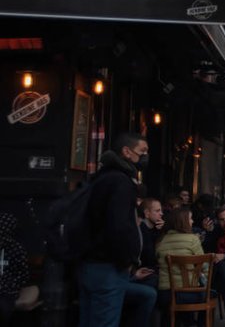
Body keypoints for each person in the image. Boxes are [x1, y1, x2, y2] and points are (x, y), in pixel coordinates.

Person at [77, 132, 147, 327]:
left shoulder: (100, 178)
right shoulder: (121, 183)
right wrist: (127, 260)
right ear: (126, 151)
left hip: (89, 262)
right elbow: (120, 226)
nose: (144, 157)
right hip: (108, 266)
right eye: (142, 152)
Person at [157, 208, 207, 326]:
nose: (192, 221)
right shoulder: (193, 239)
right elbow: (204, 265)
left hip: (166, 294)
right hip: (188, 294)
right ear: (183, 221)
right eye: (190, 218)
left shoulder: (161, 240)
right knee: (209, 294)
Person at [0, 213, 28, 324]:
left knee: (2, 307)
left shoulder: (16, 249)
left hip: (7, 291)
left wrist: (10, 285)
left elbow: (23, 275)